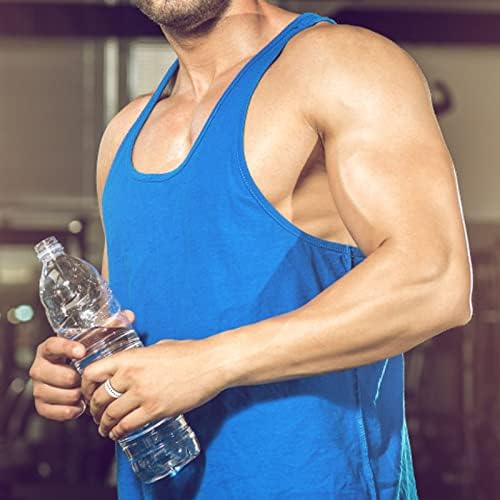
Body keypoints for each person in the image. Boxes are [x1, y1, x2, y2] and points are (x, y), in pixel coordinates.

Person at [29, 1, 473, 498]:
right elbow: (131, 341)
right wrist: (80, 373)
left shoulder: (338, 64)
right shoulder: (122, 136)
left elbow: (435, 281)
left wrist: (209, 364)